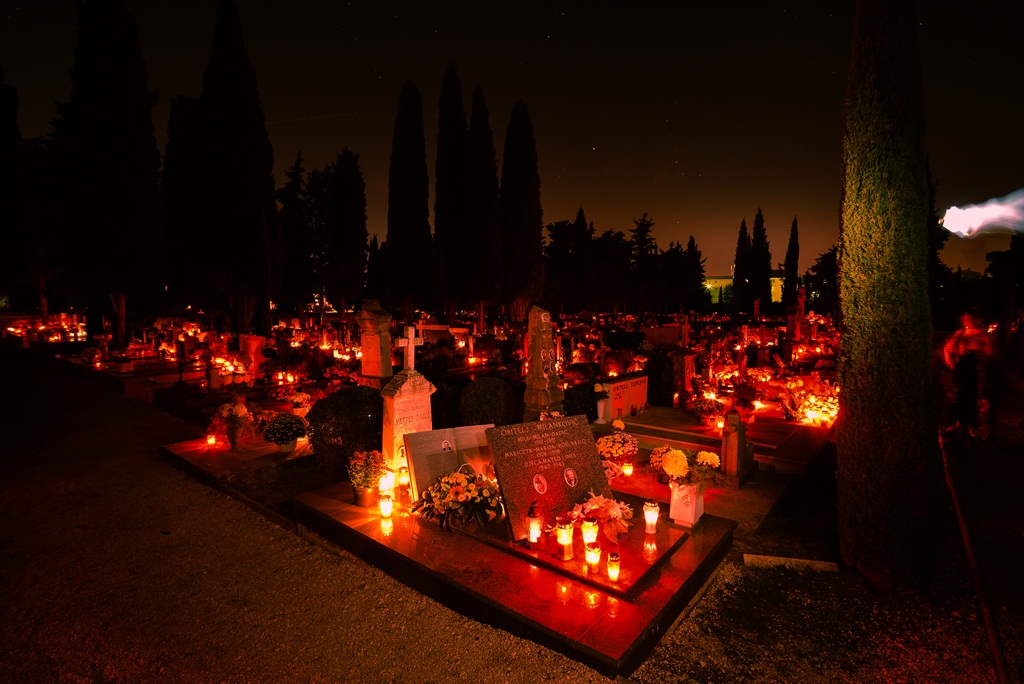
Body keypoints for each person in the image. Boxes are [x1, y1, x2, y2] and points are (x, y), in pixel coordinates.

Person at [943, 307, 994, 440]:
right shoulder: (960, 333)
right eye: (966, 319)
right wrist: (952, 364)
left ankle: (974, 425)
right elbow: (948, 348)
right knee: (958, 396)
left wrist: (982, 359)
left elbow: (989, 353)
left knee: (976, 397)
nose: (968, 322)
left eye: (971, 319)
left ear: (978, 320)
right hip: (961, 370)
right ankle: (958, 423)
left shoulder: (984, 334)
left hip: (977, 371)